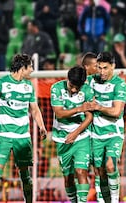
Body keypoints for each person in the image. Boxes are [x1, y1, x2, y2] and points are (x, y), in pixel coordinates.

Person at [0, 54, 47, 203]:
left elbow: (34, 109)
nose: (32, 70)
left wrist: (41, 126)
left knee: (25, 174)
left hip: (23, 137)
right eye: (30, 67)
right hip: (4, 135)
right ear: (22, 68)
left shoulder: (28, 87)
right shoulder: (1, 83)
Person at [86, 52, 126, 203]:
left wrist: (97, 106)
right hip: (95, 134)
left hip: (113, 133)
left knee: (110, 166)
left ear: (113, 67)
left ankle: (115, 200)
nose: (102, 72)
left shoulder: (120, 84)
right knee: (99, 172)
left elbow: (116, 112)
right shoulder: (90, 81)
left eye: (105, 68)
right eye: (99, 68)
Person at [50, 66, 94, 202]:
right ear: (67, 79)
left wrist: (76, 133)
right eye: (72, 86)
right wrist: (79, 108)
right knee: (68, 177)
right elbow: (59, 113)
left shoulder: (88, 91)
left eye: (77, 87)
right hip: (62, 139)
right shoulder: (56, 88)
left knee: (81, 171)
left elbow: (89, 117)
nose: (74, 90)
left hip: (81, 137)